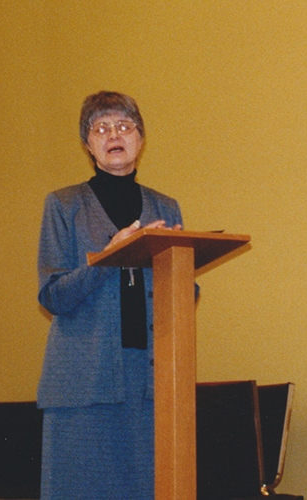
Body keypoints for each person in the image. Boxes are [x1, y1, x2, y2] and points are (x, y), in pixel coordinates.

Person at [37, 91, 185, 499]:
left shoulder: (166, 207)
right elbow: (52, 295)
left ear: (140, 139)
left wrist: (176, 264)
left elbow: (183, 296)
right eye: (100, 128)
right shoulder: (64, 205)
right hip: (84, 383)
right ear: (88, 145)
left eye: (124, 126)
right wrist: (108, 257)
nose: (113, 135)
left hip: (148, 382)